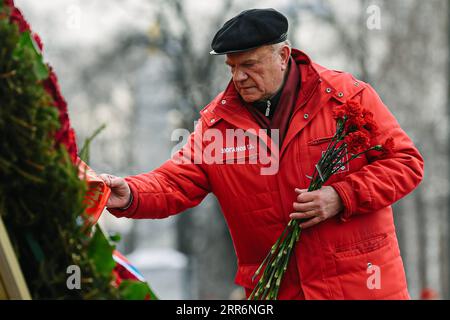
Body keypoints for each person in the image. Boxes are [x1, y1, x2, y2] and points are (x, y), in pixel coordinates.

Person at [101, 8, 424, 300]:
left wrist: (342, 195)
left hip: (362, 289)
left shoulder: (346, 98)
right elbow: (174, 181)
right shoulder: (218, 125)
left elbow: (406, 163)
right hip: (276, 290)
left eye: (249, 65)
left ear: (283, 56)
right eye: (232, 67)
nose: (239, 76)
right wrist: (129, 194)